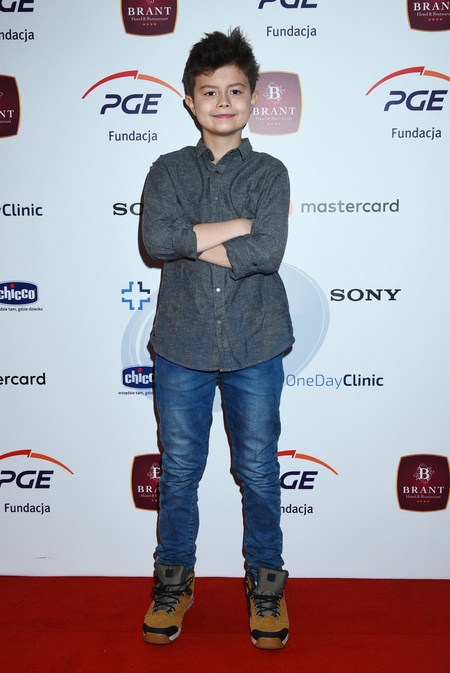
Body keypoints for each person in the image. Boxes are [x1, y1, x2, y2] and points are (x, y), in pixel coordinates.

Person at [141, 27, 294, 650]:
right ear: (189, 100)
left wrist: (192, 237)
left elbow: (267, 253)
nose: (223, 102)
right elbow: (156, 241)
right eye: (210, 92)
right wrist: (237, 226)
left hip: (256, 342)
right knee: (179, 471)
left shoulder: (271, 172)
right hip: (182, 343)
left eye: (235, 91)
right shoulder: (167, 170)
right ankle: (173, 582)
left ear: (253, 98)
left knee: (257, 469)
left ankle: (266, 584)